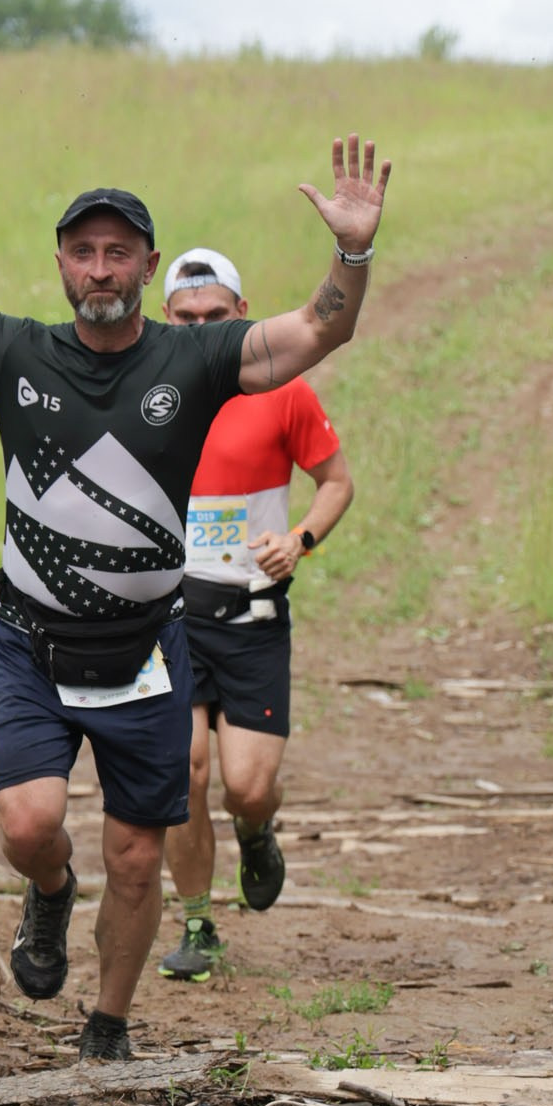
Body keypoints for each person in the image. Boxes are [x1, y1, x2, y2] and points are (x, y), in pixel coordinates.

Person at [0, 113, 390, 1061]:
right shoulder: (12, 352)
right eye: (83, 252)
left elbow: (315, 332)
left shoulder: (197, 356)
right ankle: (48, 895)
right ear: (60, 262)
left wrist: (352, 250)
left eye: (119, 254)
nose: (99, 269)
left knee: (136, 860)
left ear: (148, 266)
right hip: (28, 640)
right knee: (30, 824)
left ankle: (109, 1024)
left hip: (142, 649)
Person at [157, 247, 355, 978]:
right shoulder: (146, 394)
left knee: (243, 785)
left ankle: (256, 828)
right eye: (186, 319)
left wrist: (298, 539)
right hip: (169, 620)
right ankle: (197, 925)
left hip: (251, 617)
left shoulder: (282, 390)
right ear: (164, 320)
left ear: (241, 315)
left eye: (215, 317)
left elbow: (336, 482)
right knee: (185, 770)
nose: (202, 330)